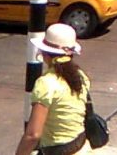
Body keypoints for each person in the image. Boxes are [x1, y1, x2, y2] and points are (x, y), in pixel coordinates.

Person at [16, 23, 93, 155]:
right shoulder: (80, 76)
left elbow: (33, 134)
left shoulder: (46, 83)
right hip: (81, 147)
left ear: (46, 54)